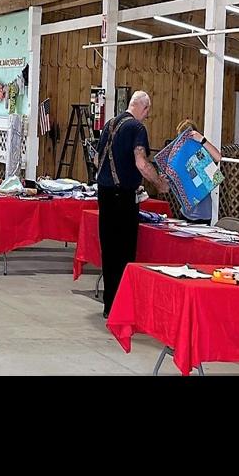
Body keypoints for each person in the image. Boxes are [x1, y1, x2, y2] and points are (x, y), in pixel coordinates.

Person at [94, 90, 164, 319]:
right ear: (145, 108)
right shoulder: (137, 128)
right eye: (147, 113)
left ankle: (109, 305)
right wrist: (159, 183)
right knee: (124, 252)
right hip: (122, 196)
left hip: (104, 194)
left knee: (109, 251)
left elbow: (96, 159)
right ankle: (122, 308)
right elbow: (142, 163)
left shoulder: (110, 124)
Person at [166, 119, 224, 223]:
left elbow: (218, 157)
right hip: (185, 212)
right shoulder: (180, 157)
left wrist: (202, 140)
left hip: (202, 215)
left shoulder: (201, 153)